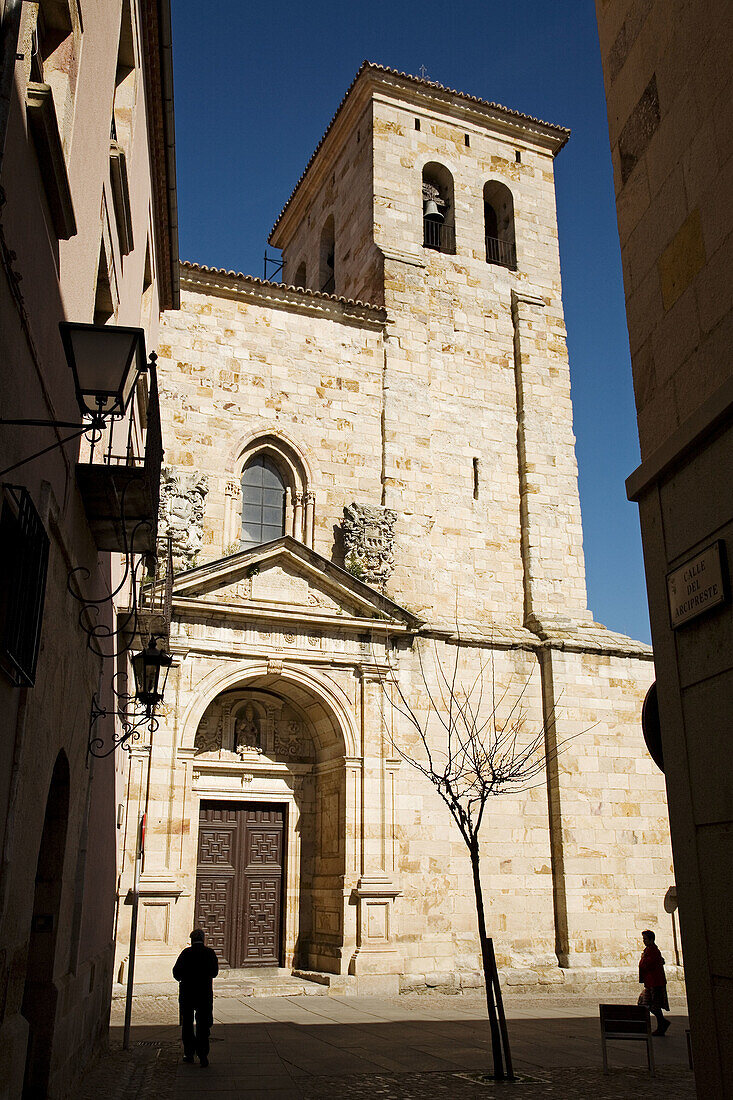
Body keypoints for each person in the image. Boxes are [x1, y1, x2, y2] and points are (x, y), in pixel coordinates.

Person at [172, 928, 219, 1066]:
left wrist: (184, 978)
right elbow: (214, 972)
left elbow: (176, 972)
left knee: (187, 1024)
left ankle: (189, 1053)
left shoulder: (186, 953)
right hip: (204, 994)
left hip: (187, 994)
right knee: (203, 1025)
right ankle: (203, 1055)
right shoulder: (209, 953)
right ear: (203, 939)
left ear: (191, 940)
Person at [639, 929, 670, 1035]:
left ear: (651, 940)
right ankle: (662, 1023)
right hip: (651, 982)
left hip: (655, 982)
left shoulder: (652, 951)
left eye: (645, 939)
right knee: (644, 1002)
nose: (644, 941)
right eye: (643, 939)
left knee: (652, 1004)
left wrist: (643, 959)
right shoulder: (649, 950)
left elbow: (647, 964)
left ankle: (661, 1024)